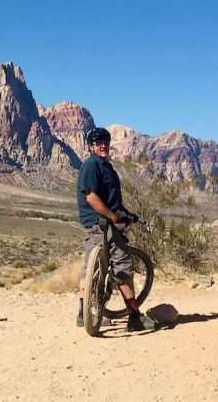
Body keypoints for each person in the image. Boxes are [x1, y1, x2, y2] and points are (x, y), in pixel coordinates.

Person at [76, 126, 156, 332]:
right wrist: (113, 218)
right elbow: (92, 197)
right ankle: (135, 317)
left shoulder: (105, 167)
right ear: (91, 146)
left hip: (101, 224)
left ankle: (84, 314)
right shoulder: (91, 165)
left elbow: (112, 201)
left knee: (90, 270)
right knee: (122, 266)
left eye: (105, 141)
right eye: (98, 142)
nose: (103, 144)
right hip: (102, 224)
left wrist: (128, 216)